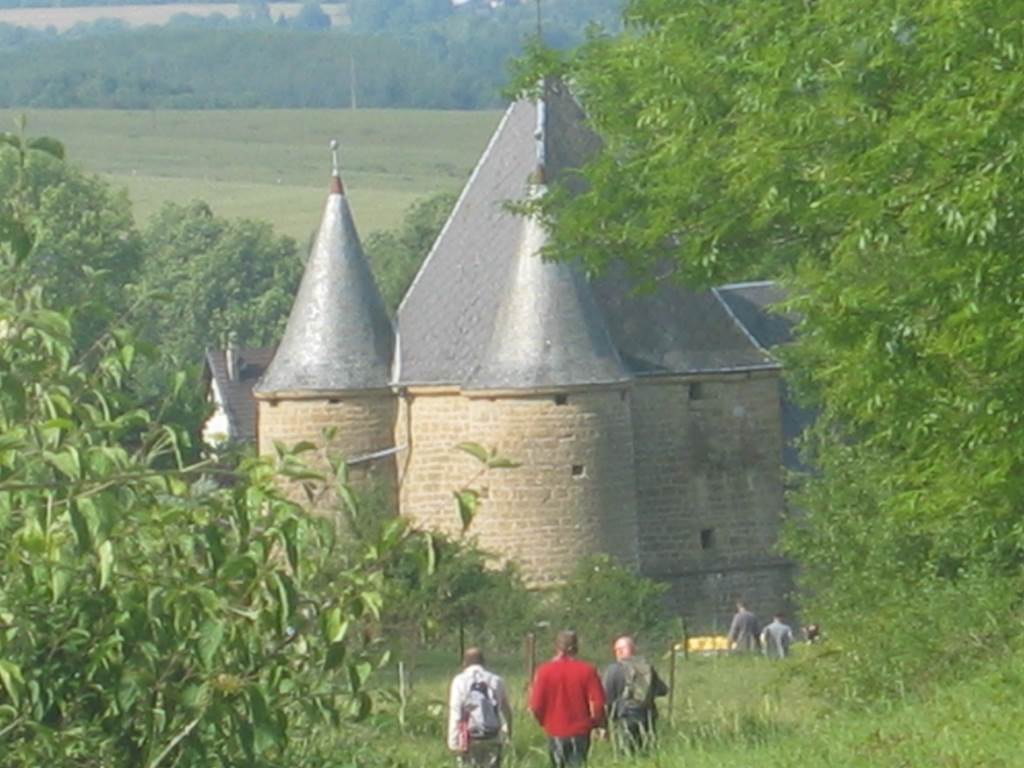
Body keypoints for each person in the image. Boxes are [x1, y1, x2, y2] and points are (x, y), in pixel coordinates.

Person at [529, 630, 606, 768]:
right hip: (581, 731)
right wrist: (596, 724)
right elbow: (598, 703)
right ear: (576, 647)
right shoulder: (587, 670)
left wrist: (545, 722)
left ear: (556, 647)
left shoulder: (544, 671)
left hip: (555, 730)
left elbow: (535, 706)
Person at [601, 635, 669, 753]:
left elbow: (606, 698)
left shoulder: (614, 669)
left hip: (625, 717)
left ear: (620, 651)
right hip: (647, 716)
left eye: (616, 650)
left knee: (627, 753)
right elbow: (663, 690)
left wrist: (604, 725)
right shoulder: (646, 667)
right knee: (647, 752)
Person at [448, 647, 513, 768]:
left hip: (469, 737)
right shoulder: (496, 680)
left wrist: (454, 743)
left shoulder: (459, 681)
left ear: (464, 663)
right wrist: (507, 736)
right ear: (484, 662)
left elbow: (456, 713)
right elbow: (506, 711)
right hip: (492, 737)